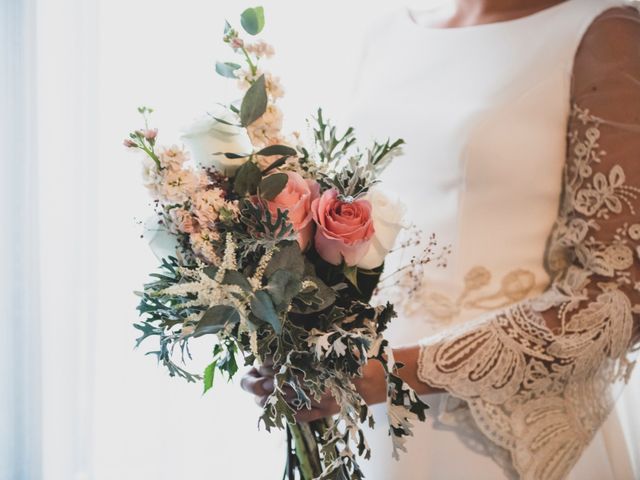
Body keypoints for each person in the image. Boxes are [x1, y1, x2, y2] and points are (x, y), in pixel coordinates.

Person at [241, 1, 640, 478]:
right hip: (363, 419)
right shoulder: (387, 32)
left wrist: (393, 373)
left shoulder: (602, 32)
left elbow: (617, 298)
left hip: (502, 439)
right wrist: (293, 337)